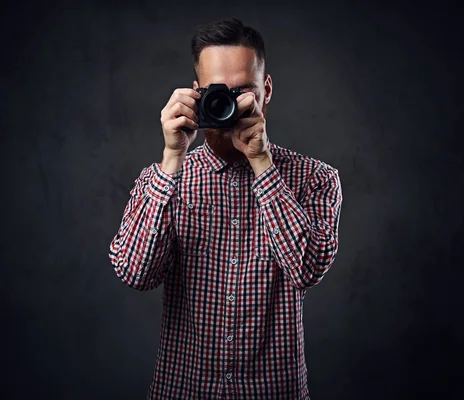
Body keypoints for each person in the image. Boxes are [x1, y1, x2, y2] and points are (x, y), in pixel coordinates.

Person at [108, 17, 343, 400]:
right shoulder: (163, 179)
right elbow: (136, 274)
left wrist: (262, 164)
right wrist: (171, 159)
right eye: (219, 93)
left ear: (266, 90)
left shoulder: (315, 178)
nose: (229, 106)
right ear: (197, 94)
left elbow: (308, 269)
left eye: (243, 92)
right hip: (183, 389)